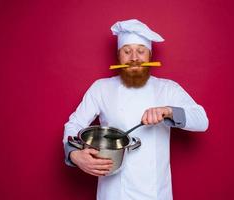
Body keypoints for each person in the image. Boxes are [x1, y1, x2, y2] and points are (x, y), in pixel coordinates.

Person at [63, 19, 209, 200]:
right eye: (127, 51)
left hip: (156, 193)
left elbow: (202, 120)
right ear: (119, 56)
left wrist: (168, 111)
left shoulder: (168, 89)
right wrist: (74, 154)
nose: (134, 58)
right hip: (113, 193)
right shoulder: (101, 88)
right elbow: (75, 123)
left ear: (149, 56)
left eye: (140, 51)